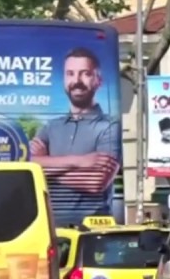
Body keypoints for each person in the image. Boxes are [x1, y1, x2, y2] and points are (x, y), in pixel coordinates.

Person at [29, 47, 121, 222]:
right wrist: (80, 161)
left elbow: (96, 182)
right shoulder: (50, 127)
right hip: (48, 229)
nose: (76, 80)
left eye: (85, 73)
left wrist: (46, 168)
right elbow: (28, 165)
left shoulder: (109, 126)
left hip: (91, 232)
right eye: (70, 74)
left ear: (98, 81)